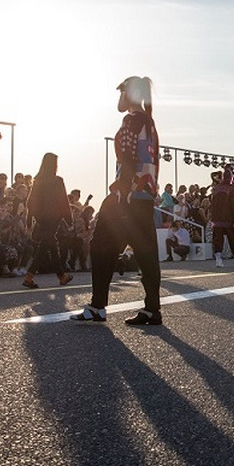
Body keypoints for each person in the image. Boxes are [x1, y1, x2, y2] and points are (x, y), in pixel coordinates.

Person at [72, 76, 162, 325]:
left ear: (127, 94)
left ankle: (98, 306)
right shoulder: (149, 122)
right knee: (146, 254)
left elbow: (127, 159)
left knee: (100, 248)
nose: (118, 98)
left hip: (128, 195)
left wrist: (121, 194)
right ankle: (152, 309)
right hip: (144, 196)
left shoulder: (131, 120)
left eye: (120, 93)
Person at [26, 152, 73, 288]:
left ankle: (61, 276)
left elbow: (31, 201)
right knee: (45, 246)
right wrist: (69, 219)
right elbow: (63, 200)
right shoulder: (57, 180)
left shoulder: (38, 179)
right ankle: (29, 276)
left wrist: (30, 218)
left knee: (51, 244)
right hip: (54, 217)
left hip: (41, 218)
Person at [210, 168, 234, 267]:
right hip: (228, 217)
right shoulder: (232, 189)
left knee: (218, 238)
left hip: (216, 218)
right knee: (233, 237)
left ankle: (218, 259)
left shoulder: (216, 188)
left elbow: (213, 203)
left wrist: (212, 217)